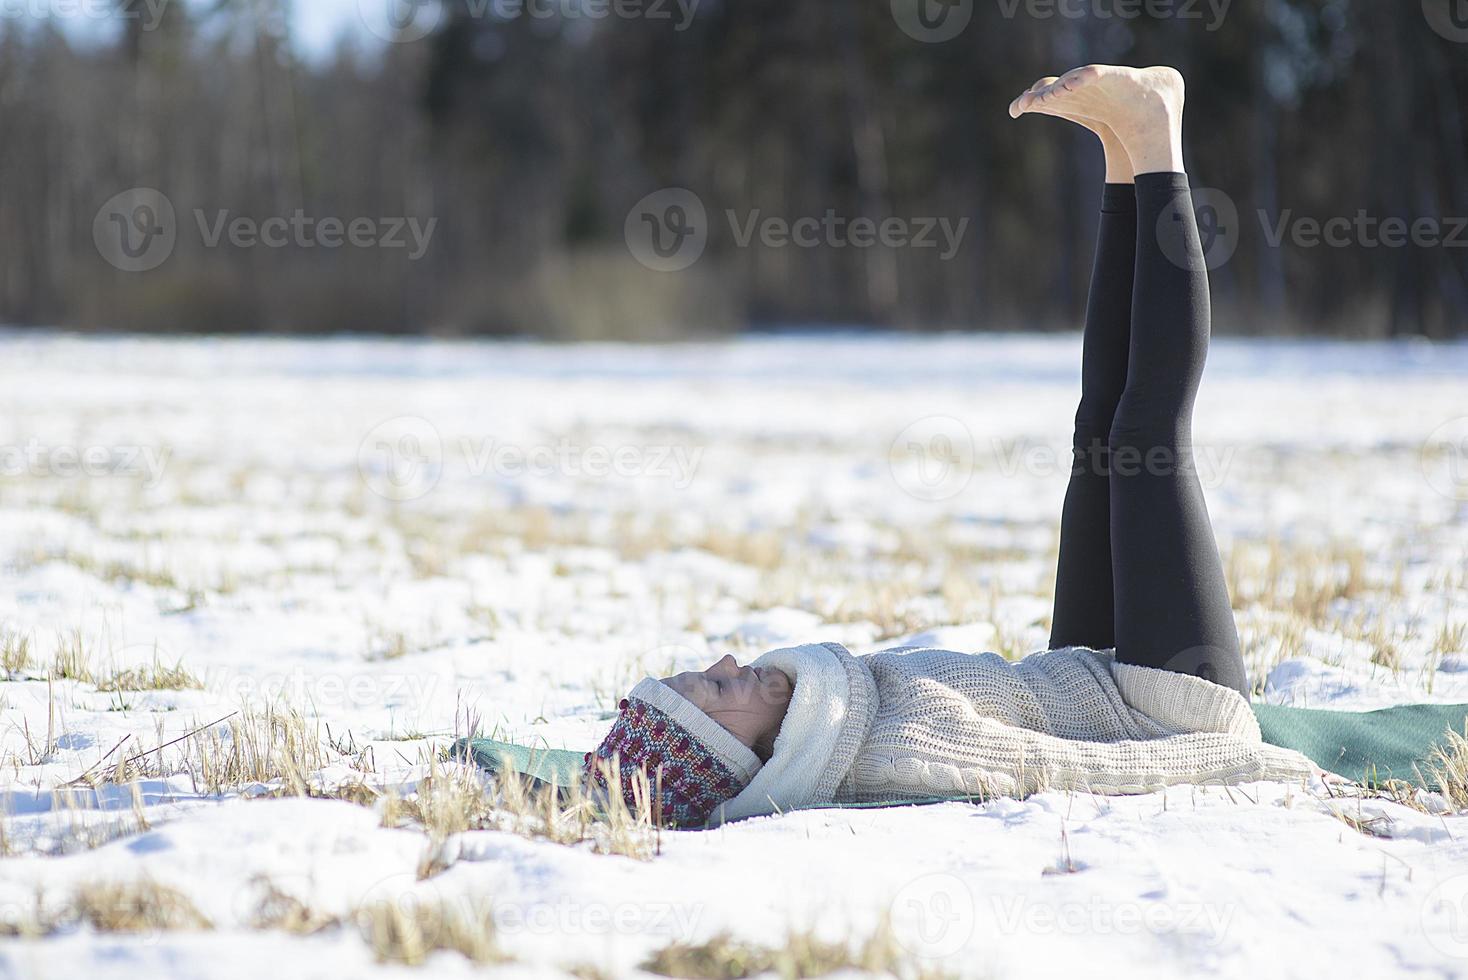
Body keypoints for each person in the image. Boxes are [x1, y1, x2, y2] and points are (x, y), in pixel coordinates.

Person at [583, 65, 1319, 829]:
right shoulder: (881, 758)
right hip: (1169, 716)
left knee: (1099, 430)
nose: (729, 664)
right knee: (1146, 434)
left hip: (1080, 679)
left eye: (705, 673)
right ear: (734, 755)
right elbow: (1068, 769)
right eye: (716, 691)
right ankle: (1153, 138)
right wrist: (1223, 757)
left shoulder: (829, 708)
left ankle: (1119, 149)